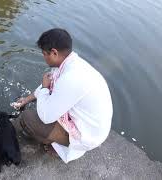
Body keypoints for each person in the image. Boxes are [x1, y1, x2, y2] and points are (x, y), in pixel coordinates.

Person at [13, 28, 113, 163]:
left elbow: (46, 116)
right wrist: (26, 99)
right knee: (46, 100)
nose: (43, 57)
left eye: (44, 54)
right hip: (93, 124)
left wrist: (43, 88)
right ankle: (58, 137)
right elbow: (52, 82)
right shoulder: (71, 64)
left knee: (27, 118)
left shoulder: (71, 78)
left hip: (88, 135)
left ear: (54, 52)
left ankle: (57, 144)